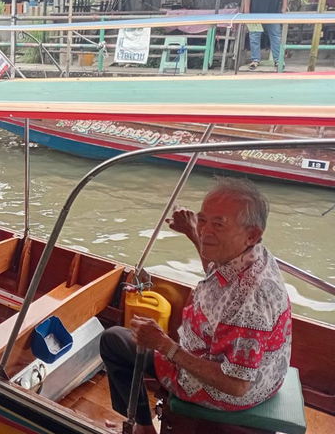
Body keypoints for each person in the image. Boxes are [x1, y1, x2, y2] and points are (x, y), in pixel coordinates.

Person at [100, 178, 291, 434]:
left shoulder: (250, 300)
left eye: (218, 224)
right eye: (203, 220)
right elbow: (215, 269)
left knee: (113, 341)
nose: (205, 232)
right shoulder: (249, 255)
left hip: (229, 393)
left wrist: (164, 345)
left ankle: (143, 428)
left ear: (252, 234)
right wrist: (192, 230)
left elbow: (236, 385)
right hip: (267, 375)